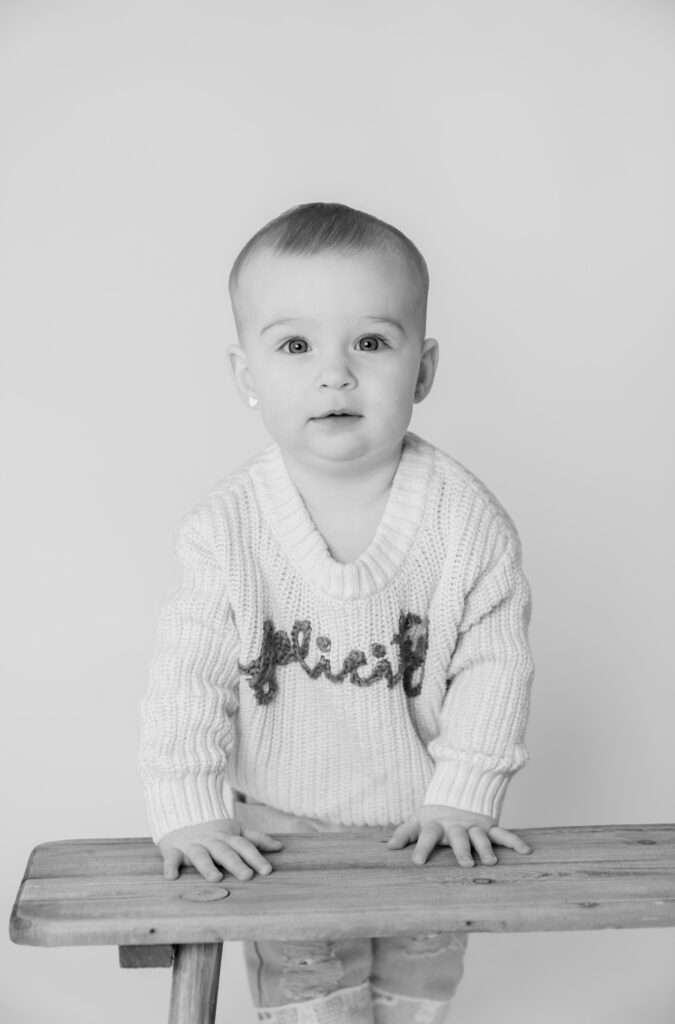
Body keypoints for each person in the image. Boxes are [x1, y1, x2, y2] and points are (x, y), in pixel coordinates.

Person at [138, 202, 535, 1024]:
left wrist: (466, 788)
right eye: (294, 345)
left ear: (421, 370)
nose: (335, 373)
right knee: (310, 998)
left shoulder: (465, 523)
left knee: (418, 990)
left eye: (370, 342)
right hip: (280, 832)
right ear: (247, 376)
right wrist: (189, 808)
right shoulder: (226, 530)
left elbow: (494, 664)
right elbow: (188, 675)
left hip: (423, 825)